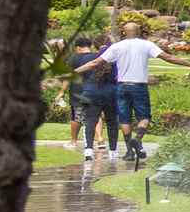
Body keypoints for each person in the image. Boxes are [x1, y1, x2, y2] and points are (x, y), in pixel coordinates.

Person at [76, 19, 164, 163]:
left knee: (118, 119)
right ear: (139, 31)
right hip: (128, 88)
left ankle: (123, 151)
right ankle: (127, 145)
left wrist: (72, 73)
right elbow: (167, 57)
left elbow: (93, 65)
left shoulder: (114, 49)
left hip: (110, 89)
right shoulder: (144, 46)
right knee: (134, 119)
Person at [60, 27, 111, 170]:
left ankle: (73, 141)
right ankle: (100, 139)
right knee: (95, 115)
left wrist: (61, 92)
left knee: (77, 116)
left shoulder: (73, 58)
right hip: (95, 90)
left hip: (78, 92)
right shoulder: (96, 56)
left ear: (77, 47)